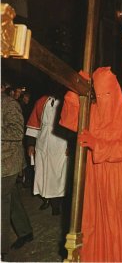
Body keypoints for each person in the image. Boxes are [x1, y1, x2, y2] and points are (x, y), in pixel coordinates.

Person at [60, 67, 122, 262]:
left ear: (116, 90)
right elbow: (69, 119)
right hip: (94, 176)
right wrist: (75, 88)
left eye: (108, 93)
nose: (105, 98)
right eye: (100, 94)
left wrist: (98, 144)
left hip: (120, 178)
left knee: (120, 224)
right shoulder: (91, 112)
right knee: (92, 222)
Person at [1, 90, 33, 260]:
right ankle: (25, 231)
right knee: (11, 198)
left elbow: (16, 132)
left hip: (7, 163)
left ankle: (1, 249)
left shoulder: (9, 104)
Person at [26, 94, 69, 215]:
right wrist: (30, 144)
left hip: (60, 142)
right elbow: (34, 122)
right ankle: (45, 199)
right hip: (42, 141)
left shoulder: (66, 100)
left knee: (57, 174)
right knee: (42, 171)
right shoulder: (42, 101)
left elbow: (72, 125)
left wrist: (70, 145)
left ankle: (56, 204)